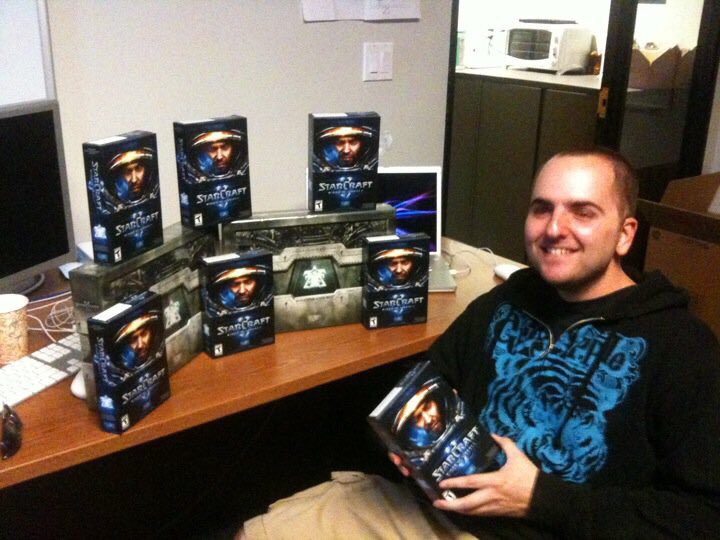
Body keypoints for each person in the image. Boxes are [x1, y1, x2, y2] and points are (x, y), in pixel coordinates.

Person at [239, 149, 720, 539]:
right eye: (542, 208)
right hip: (431, 508)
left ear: (625, 235)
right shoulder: (505, 301)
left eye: (583, 212)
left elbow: (702, 518)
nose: (554, 228)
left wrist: (538, 498)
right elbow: (423, 384)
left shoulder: (682, 347)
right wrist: (400, 441)